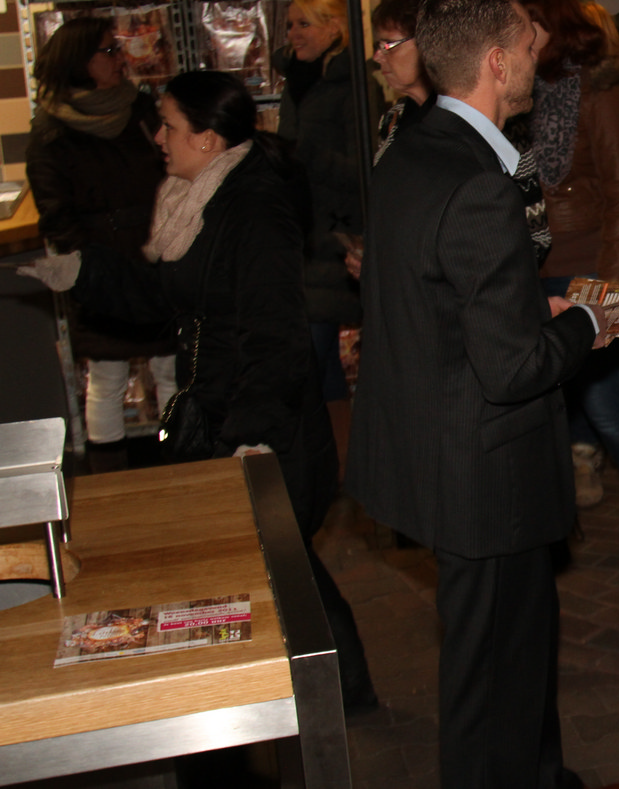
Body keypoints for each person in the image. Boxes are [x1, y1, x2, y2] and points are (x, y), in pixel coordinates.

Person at [23, 70, 375, 712]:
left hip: (262, 429)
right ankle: (331, 694)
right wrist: (85, 273)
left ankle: (329, 697)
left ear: (207, 138)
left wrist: (253, 438)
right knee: (278, 568)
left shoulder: (254, 208)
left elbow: (274, 335)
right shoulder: (193, 200)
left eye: (168, 126)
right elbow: (170, 298)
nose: (157, 138)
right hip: (221, 413)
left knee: (276, 568)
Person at [347, 0, 607, 789]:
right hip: (485, 474)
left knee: (514, 657)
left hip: (440, 451)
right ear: (497, 61)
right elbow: (513, 366)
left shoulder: (413, 148)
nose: (539, 52)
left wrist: (530, 305)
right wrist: (588, 322)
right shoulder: (479, 184)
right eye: (528, 42)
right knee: (490, 681)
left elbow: (443, 297)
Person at [516, 0, 619, 552]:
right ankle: (557, 519)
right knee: (544, 402)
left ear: (550, 25)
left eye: (526, 25)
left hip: (593, 267)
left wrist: (614, 292)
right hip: (536, 266)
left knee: (604, 402)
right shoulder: (520, 93)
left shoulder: (604, 91)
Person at [24, 17, 176, 463]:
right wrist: (88, 266)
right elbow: (55, 211)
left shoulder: (141, 109)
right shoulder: (51, 130)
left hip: (156, 251)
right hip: (101, 262)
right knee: (107, 375)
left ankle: (182, 466)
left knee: (171, 367)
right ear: (79, 61)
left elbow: (174, 171)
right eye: (108, 51)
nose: (120, 58)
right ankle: (111, 476)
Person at [277, 0, 363, 406]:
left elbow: (363, 171)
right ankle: (337, 442)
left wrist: (307, 154)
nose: (293, 34)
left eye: (303, 24)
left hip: (335, 237)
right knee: (318, 362)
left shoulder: (352, 86)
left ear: (334, 28)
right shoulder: (297, 81)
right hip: (304, 236)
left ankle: (338, 441)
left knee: (312, 356)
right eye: (290, 25)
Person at [369, 0, 434, 163]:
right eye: (378, 46)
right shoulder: (394, 118)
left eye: (388, 45)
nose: (377, 57)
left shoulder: (460, 118)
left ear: (426, 43)